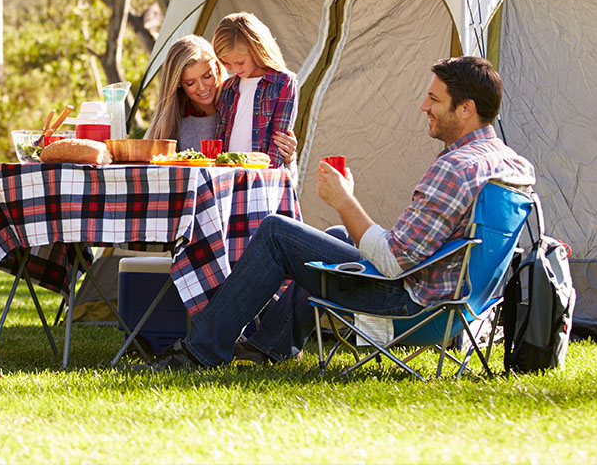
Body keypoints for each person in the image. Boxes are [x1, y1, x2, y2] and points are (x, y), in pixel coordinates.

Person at [143, 56, 536, 370]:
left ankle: (200, 351)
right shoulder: (511, 165)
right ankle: (272, 345)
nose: (423, 106)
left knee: (278, 231)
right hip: (460, 305)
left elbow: (395, 262)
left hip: (409, 306)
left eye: (434, 99)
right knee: (334, 236)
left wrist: (345, 199)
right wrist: (346, 214)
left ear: (466, 109)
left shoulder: (457, 167)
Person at [210, 12, 298, 168]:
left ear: (257, 50)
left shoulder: (283, 82)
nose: (235, 69)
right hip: (228, 176)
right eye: (227, 63)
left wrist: (264, 176)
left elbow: (279, 140)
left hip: (263, 178)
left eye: (240, 62)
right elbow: (220, 136)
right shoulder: (228, 87)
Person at [145, 35, 226, 151]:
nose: (202, 88)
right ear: (178, 84)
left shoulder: (236, 101)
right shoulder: (175, 120)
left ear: (217, 68)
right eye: (190, 83)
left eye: (207, 76)